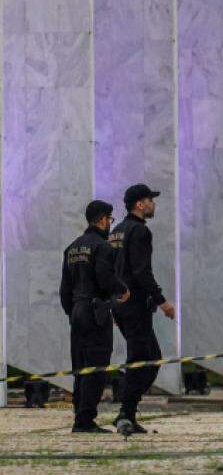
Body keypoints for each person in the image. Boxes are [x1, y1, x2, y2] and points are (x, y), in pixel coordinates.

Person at [59, 200, 130, 432]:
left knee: (80, 367)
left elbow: (64, 291)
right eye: (110, 219)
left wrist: (73, 312)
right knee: (97, 366)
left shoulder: (71, 248)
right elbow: (105, 277)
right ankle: (86, 420)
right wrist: (121, 289)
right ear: (102, 219)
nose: (110, 223)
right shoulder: (103, 246)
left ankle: (79, 416)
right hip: (96, 311)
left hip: (77, 310)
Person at [110, 184, 176, 435]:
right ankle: (125, 414)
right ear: (140, 204)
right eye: (150, 200)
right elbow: (141, 271)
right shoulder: (139, 231)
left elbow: (111, 270)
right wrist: (162, 301)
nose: (153, 204)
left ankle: (127, 412)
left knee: (149, 358)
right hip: (135, 305)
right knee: (141, 360)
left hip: (121, 305)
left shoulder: (116, 231)